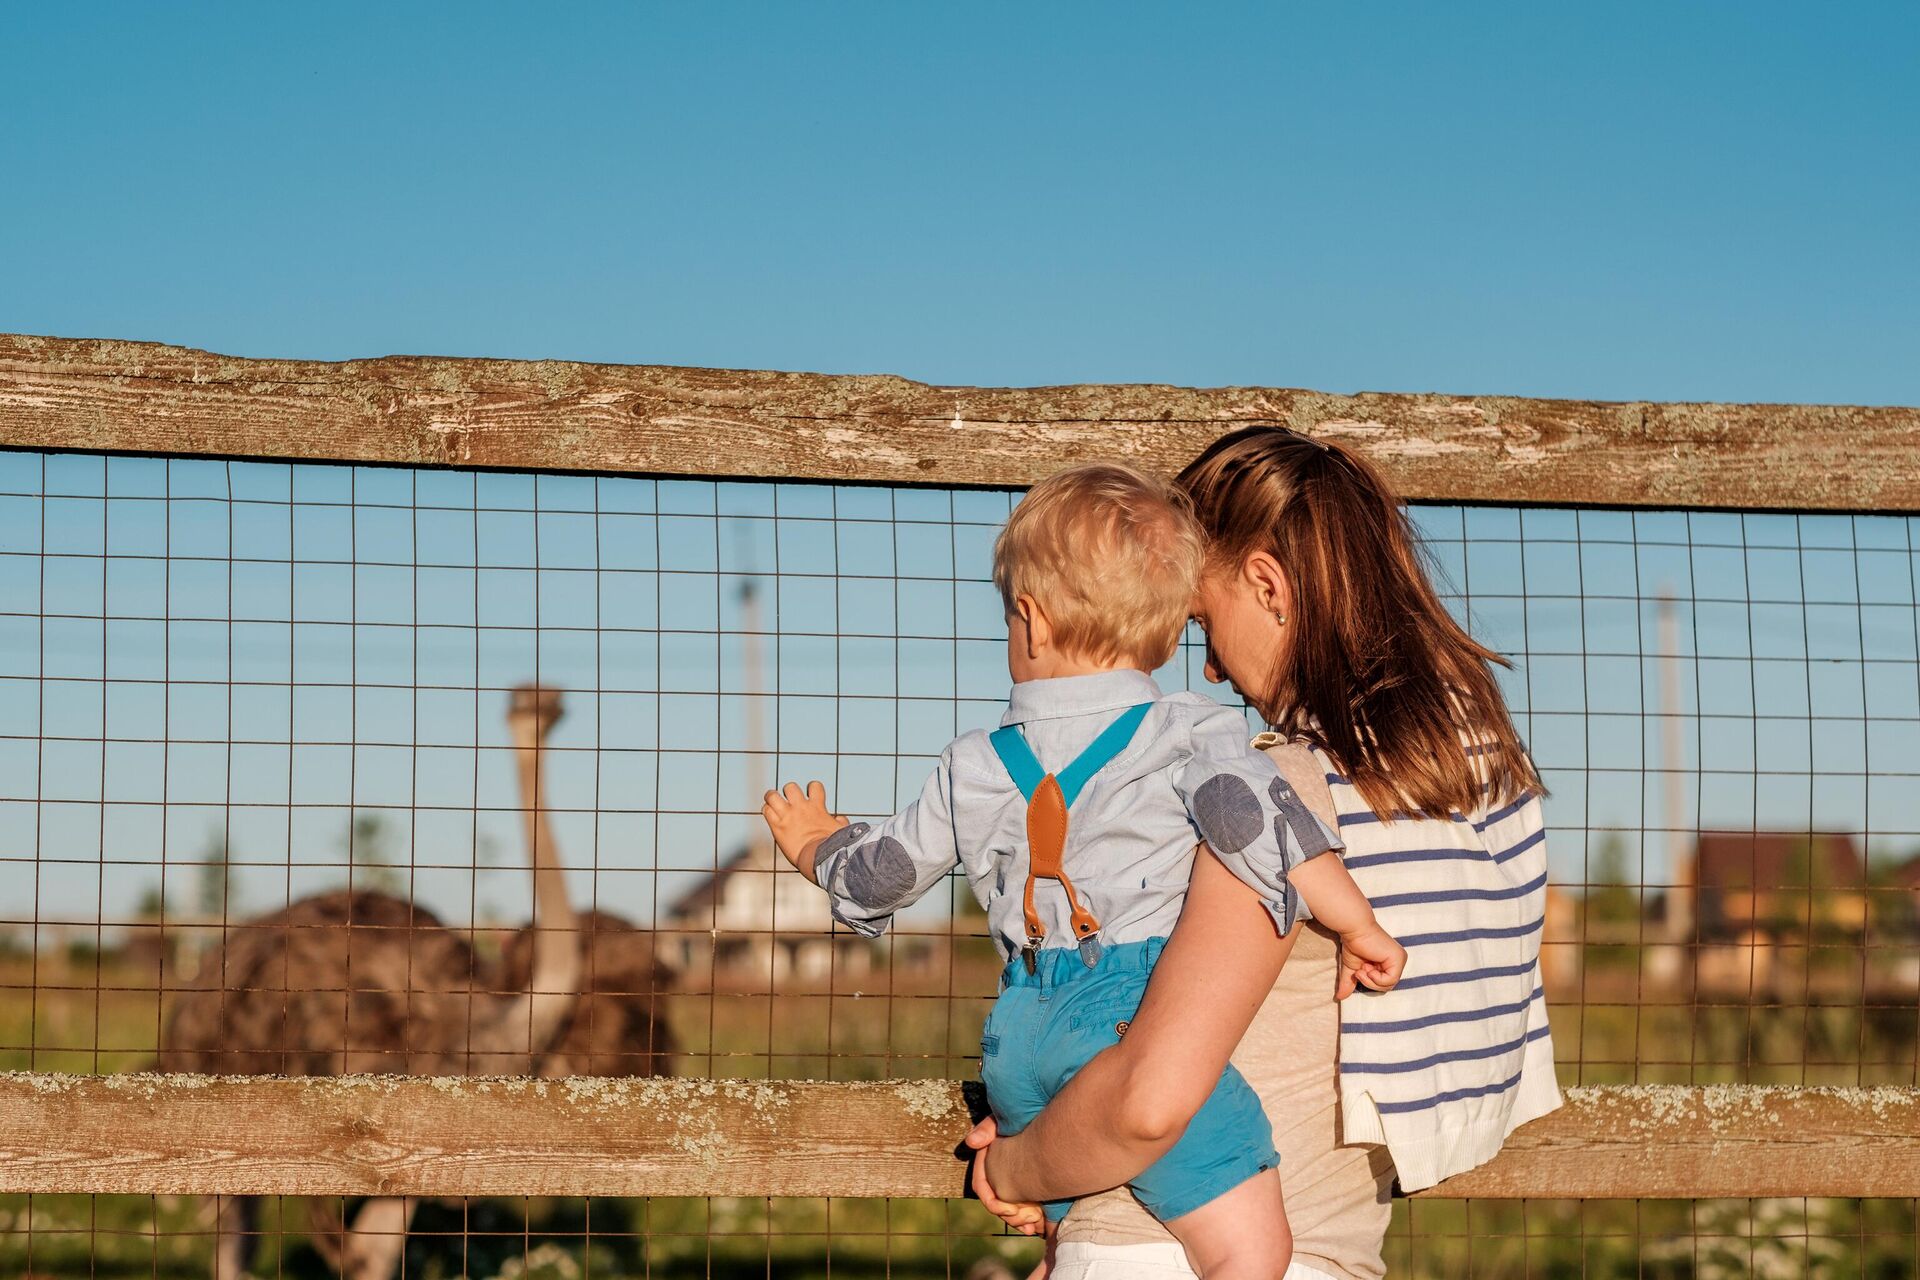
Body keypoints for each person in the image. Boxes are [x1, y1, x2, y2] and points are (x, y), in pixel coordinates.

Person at [763, 462, 1406, 1280]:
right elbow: (1259, 827)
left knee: (1075, 1225)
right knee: (1255, 1249)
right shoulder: (1186, 730)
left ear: (1029, 621)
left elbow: (885, 873)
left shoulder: (973, 764)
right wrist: (1355, 922)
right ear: (1172, 631)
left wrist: (819, 845)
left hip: (1019, 1033)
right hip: (1126, 1016)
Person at [965, 428, 1562, 1280]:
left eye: (1200, 620)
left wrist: (1017, 1164)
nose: (1205, 671)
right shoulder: (1482, 785)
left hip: (1168, 1254)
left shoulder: (1278, 792)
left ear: (1267, 584)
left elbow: (1145, 1102)